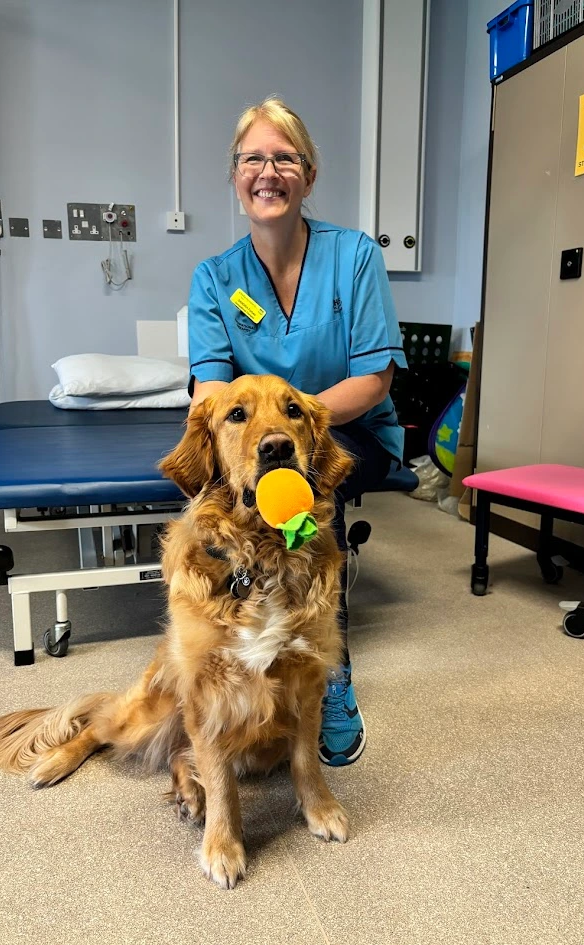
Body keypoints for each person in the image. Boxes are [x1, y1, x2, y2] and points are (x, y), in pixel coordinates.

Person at [187, 97, 407, 767]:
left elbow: (374, 379)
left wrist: (293, 422)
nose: (268, 171)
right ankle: (239, 658)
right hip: (256, 446)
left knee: (305, 500)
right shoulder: (214, 278)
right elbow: (208, 391)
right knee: (219, 504)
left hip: (347, 435)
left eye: (285, 158)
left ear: (308, 177)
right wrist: (247, 435)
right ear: (234, 177)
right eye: (252, 158)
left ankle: (330, 675)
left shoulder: (356, 257)